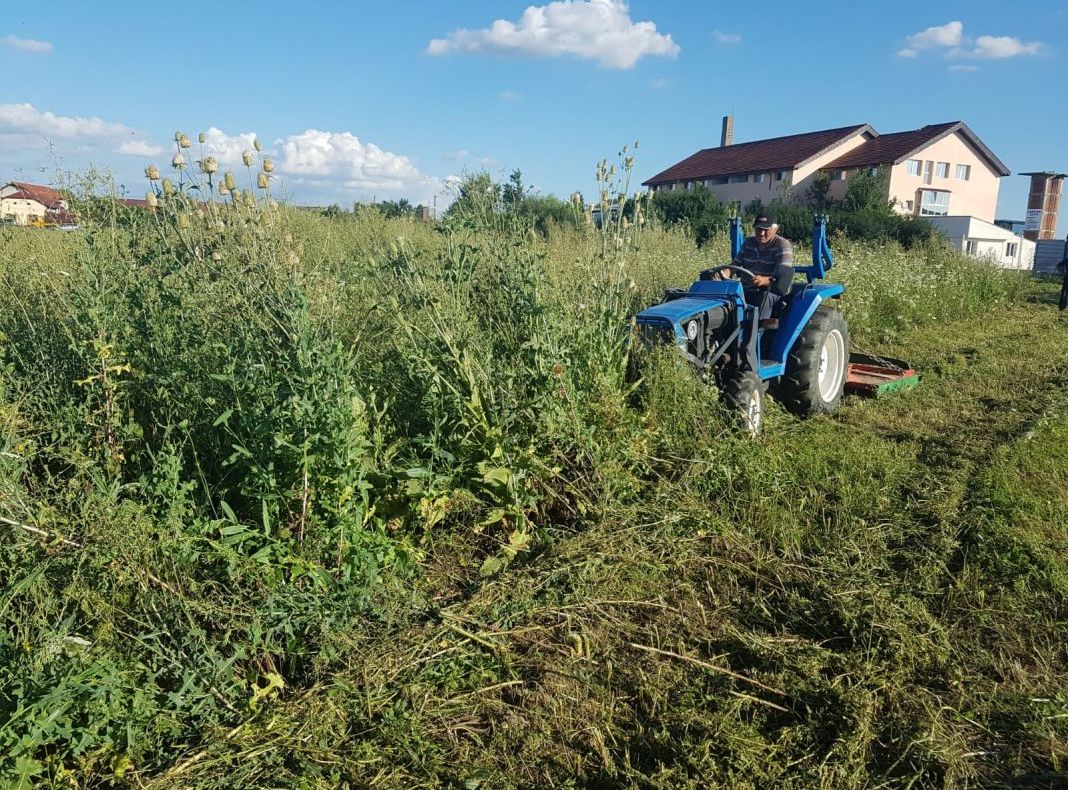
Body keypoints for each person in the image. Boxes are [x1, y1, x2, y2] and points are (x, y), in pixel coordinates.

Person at [726, 213, 795, 327]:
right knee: (726, 298)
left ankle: (757, 337)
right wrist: (722, 274)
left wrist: (764, 280)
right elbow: (735, 265)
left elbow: (783, 277)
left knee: (764, 297)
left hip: (774, 289)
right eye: (758, 229)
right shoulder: (749, 243)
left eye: (766, 229)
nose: (761, 233)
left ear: (776, 229)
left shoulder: (782, 245)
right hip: (748, 288)